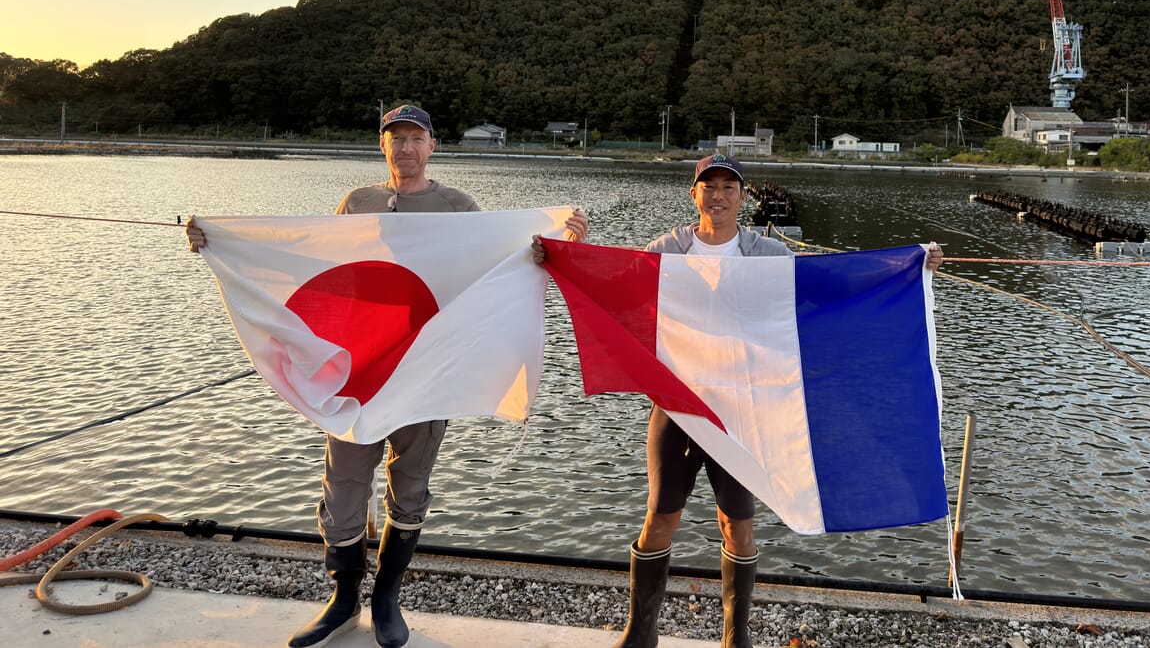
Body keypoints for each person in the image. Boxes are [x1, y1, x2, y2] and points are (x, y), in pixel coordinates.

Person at [186, 103, 587, 648]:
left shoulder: (458, 206)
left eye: (415, 138)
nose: (405, 147)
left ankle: (388, 597)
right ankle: (343, 599)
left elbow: (505, 261)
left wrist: (557, 240)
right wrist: (225, 243)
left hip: (429, 369)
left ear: (432, 145)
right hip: (359, 370)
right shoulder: (358, 203)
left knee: (410, 486)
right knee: (345, 486)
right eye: (394, 138)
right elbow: (318, 263)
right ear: (383, 145)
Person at [612, 154, 943, 648]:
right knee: (660, 517)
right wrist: (565, 251)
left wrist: (908, 267)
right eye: (709, 186)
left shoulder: (767, 253)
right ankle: (641, 632)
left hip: (745, 411)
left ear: (742, 198)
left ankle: (735, 635)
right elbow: (617, 289)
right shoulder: (667, 249)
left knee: (737, 524)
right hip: (678, 406)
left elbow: (825, 288)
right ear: (694, 194)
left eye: (729, 187)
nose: (718, 195)